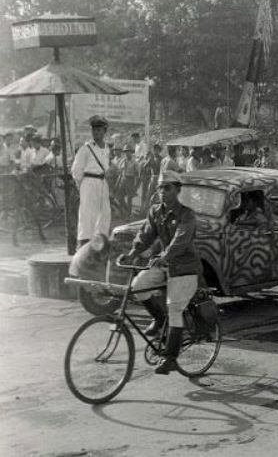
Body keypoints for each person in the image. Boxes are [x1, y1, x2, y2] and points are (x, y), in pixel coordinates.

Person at [119, 170, 200, 375]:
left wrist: (164, 256)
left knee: (174, 308)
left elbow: (180, 241)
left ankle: (171, 358)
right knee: (138, 286)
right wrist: (131, 253)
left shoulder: (186, 214)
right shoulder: (156, 211)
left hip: (185, 269)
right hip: (164, 266)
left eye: (168, 188)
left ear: (178, 190)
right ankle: (159, 319)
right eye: (160, 188)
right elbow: (145, 235)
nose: (163, 192)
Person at [70, 116, 112, 246]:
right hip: (88, 182)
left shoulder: (107, 149)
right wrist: (81, 185)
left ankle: (100, 244)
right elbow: (76, 170)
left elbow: (106, 167)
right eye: (94, 130)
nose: (96, 133)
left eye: (99, 130)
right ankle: (83, 245)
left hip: (102, 182)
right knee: (87, 214)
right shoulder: (85, 149)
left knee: (104, 214)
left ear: (104, 131)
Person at [116, 144, 138, 218]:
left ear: (131, 152)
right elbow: (120, 172)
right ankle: (124, 211)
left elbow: (137, 174)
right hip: (123, 179)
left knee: (129, 198)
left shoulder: (134, 162)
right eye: (126, 152)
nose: (127, 153)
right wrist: (117, 183)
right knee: (120, 197)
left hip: (130, 180)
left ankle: (128, 215)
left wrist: (135, 185)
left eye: (129, 152)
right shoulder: (122, 161)